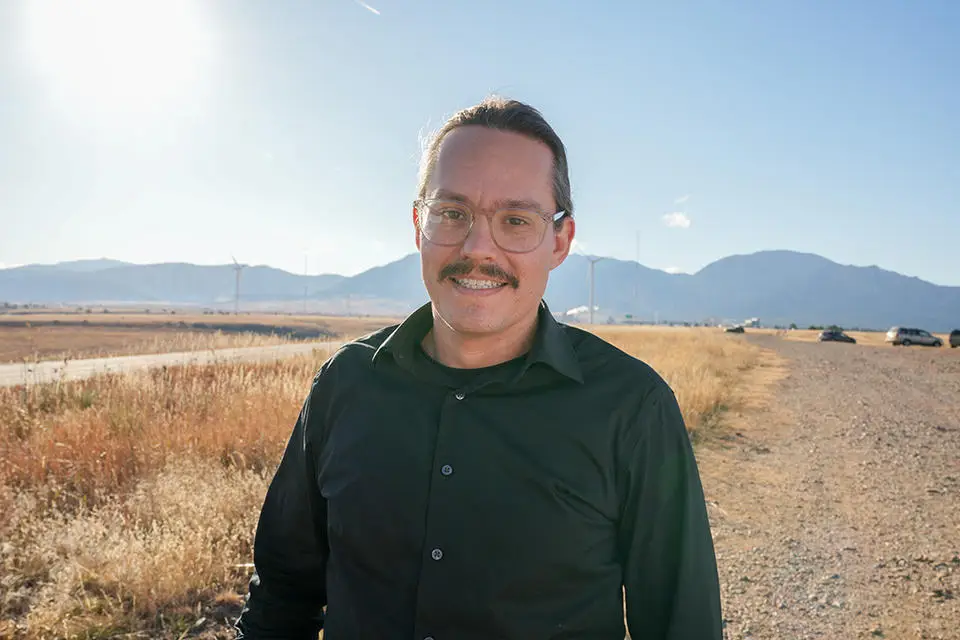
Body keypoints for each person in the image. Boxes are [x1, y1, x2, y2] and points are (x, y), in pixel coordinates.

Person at [234, 96, 723, 639]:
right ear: (419, 223)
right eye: (453, 213)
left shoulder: (631, 408)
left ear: (560, 241)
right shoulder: (345, 385)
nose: (477, 247)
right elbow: (282, 596)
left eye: (515, 220)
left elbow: (684, 626)